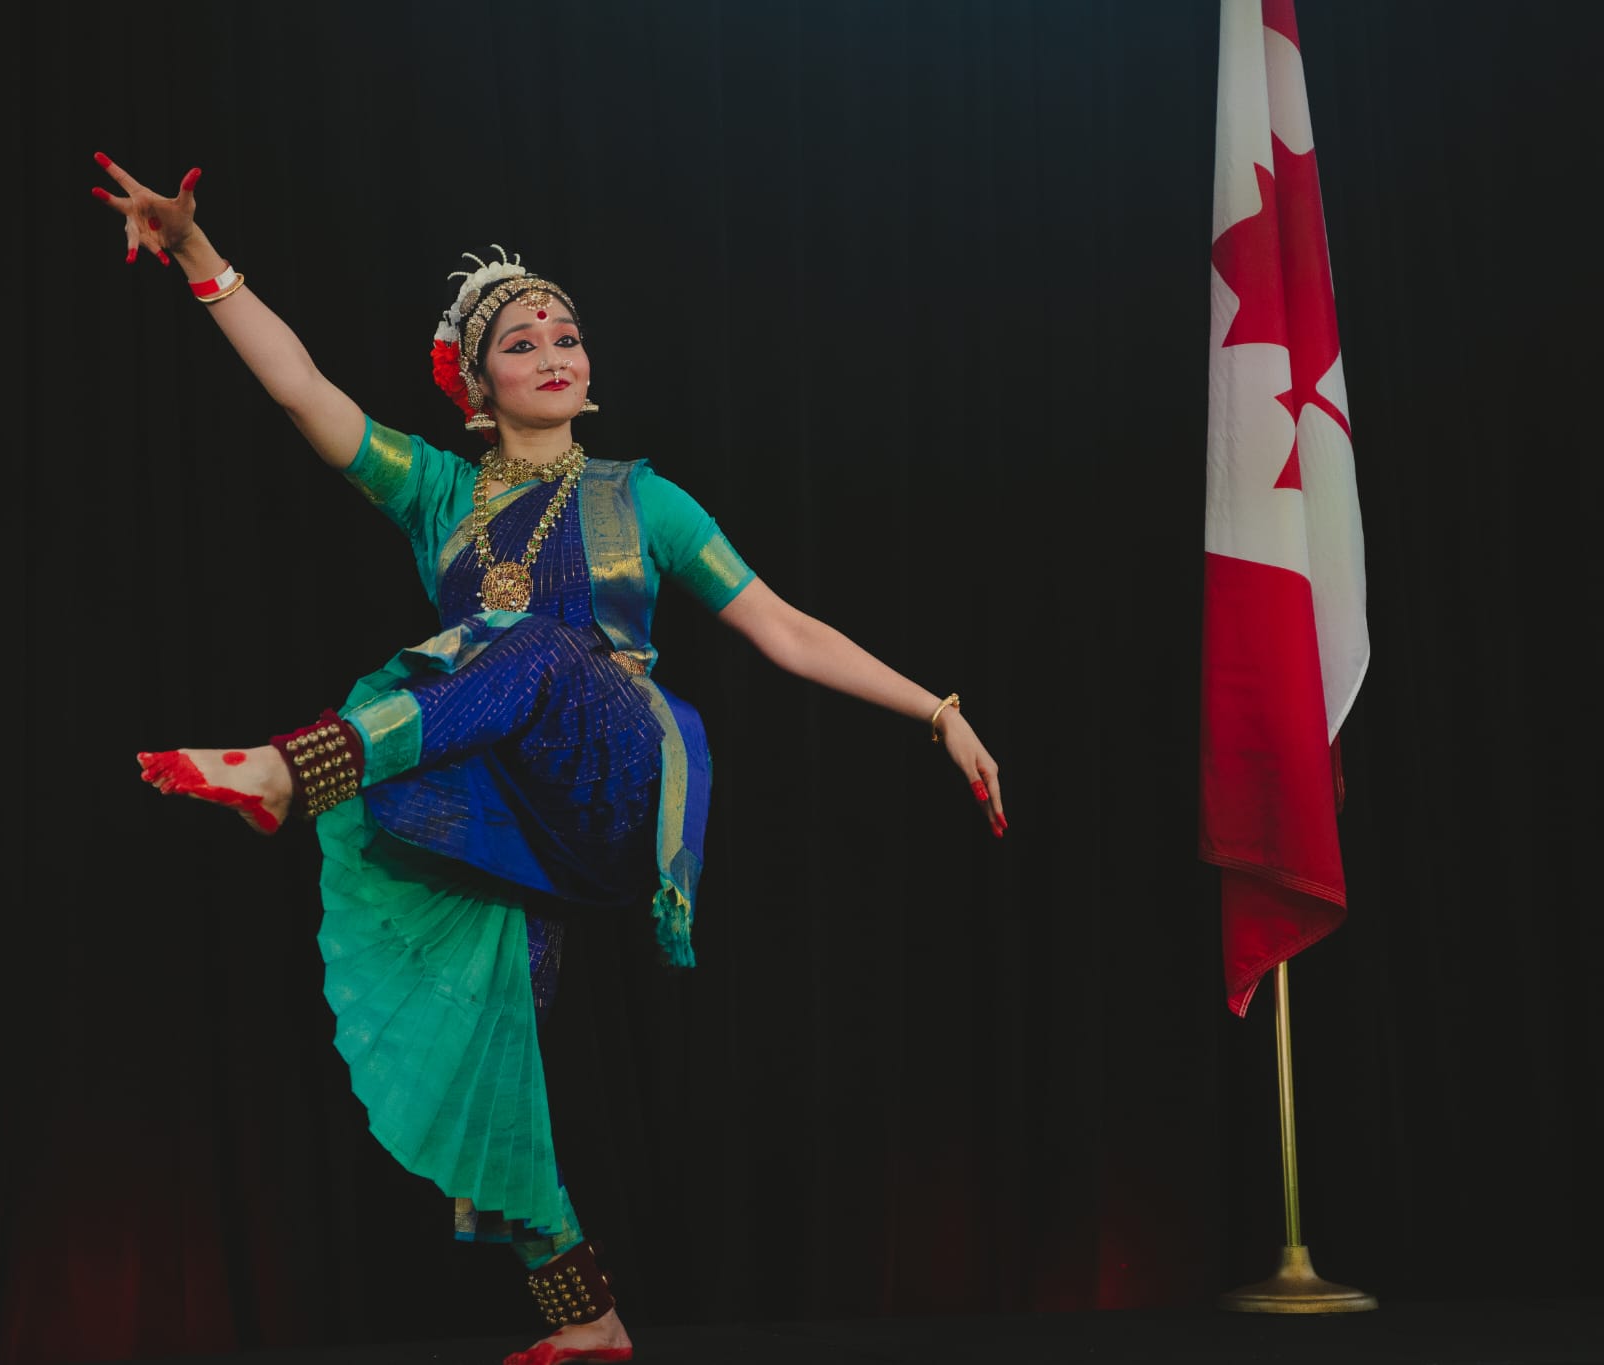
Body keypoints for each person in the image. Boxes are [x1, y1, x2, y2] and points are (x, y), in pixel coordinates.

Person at [95, 152, 1007, 1365]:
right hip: (504, 806)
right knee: (482, 1045)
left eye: (564, 334)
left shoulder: (644, 500)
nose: (551, 351)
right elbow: (301, 390)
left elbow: (783, 630)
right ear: (475, 386)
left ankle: (287, 771)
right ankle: (585, 1319)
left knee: (519, 637)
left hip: (618, 769)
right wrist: (199, 259)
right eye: (520, 344)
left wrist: (936, 712)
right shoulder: (438, 495)